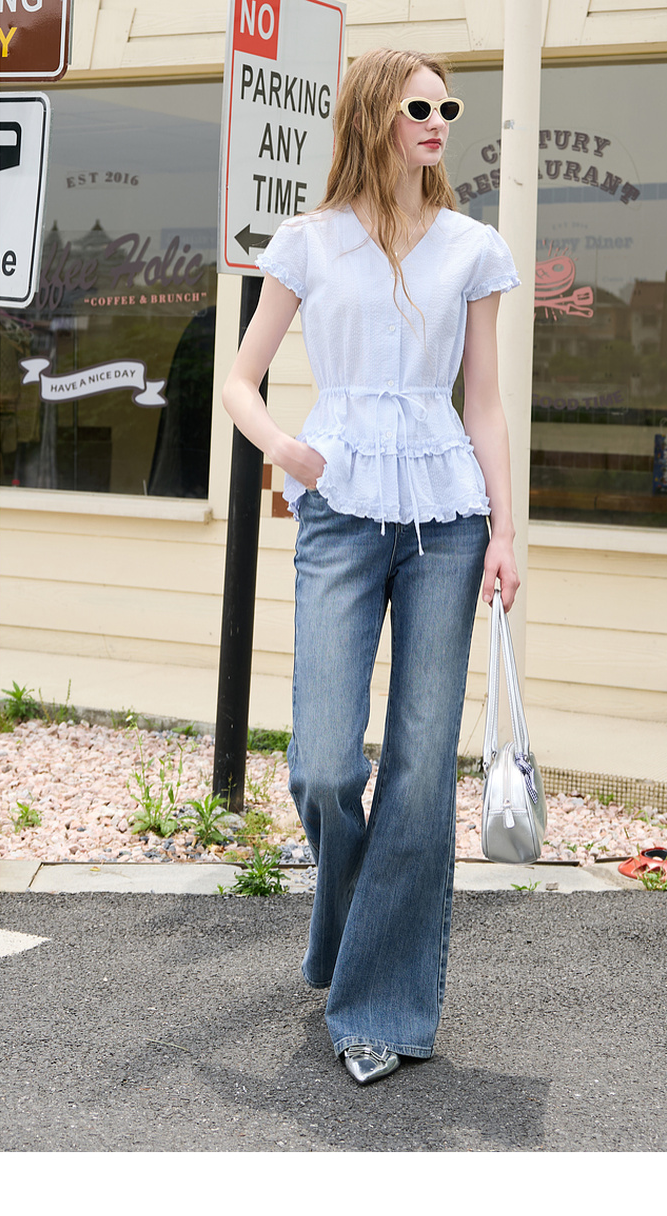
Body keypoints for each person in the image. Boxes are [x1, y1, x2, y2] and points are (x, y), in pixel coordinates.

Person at [222, 47, 521, 1086]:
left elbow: (484, 402)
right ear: (371, 118)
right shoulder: (308, 243)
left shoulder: (474, 248)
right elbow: (242, 376)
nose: (438, 121)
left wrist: (507, 532)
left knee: (419, 766)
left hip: (449, 519)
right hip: (339, 511)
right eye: (418, 107)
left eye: (447, 107)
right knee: (322, 766)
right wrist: (287, 450)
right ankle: (354, 936)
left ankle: (378, 1006)